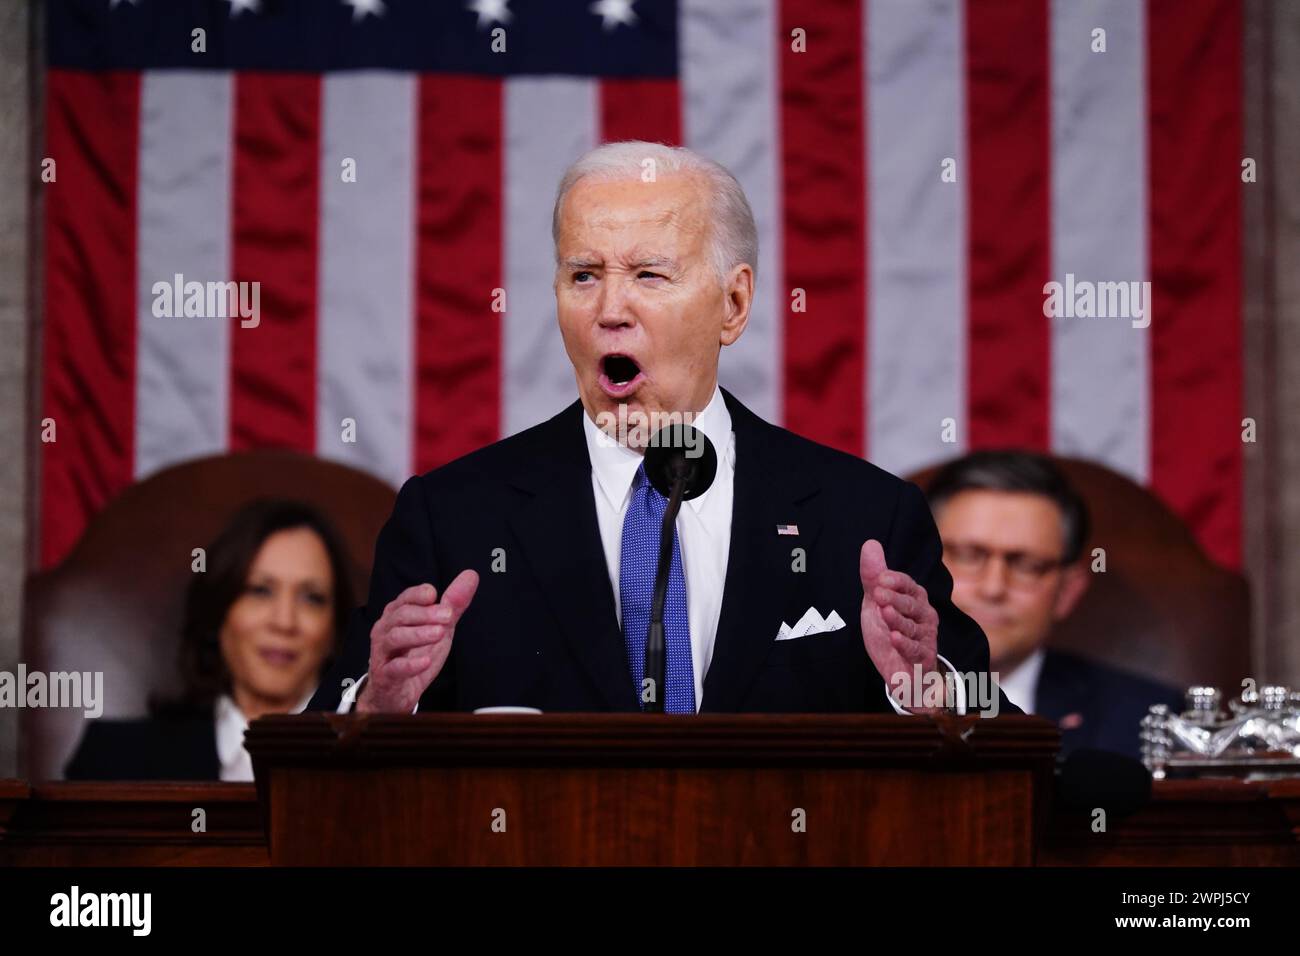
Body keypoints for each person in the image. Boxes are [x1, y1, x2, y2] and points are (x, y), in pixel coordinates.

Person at [308, 140, 1014, 719]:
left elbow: (1001, 723)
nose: (610, 309)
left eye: (649, 275)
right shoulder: (453, 517)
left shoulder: (864, 516)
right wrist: (378, 708)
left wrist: (934, 692)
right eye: (583, 275)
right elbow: (323, 736)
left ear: (733, 304)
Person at [66, 499, 353, 780]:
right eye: (260, 591)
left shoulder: (369, 768)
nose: (284, 622)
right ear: (219, 615)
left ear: (335, 631)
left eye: (311, 598)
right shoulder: (113, 760)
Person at [926, 450, 1183, 760]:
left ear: (1067, 592)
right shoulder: (855, 699)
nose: (993, 588)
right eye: (969, 555)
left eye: (1027, 565)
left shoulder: (1145, 723)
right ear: (922, 567)